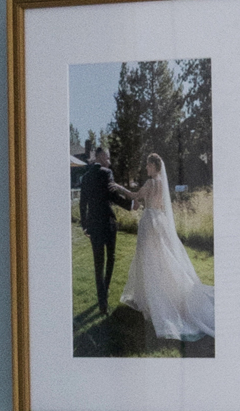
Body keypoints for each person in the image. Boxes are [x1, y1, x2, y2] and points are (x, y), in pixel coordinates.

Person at [128, 150, 215, 351]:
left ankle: (155, 301)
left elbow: (136, 196)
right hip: (160, 221)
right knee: (161, 260)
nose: (146, 168)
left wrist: (117, 188)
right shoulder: (161, 182)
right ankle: (159, 293)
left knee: (149, 260)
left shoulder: (151, 183)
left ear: (155, 166)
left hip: (150, 222)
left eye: (148, 165)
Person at [73, 134, 122, 329]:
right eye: (108, 157)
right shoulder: (106, 173)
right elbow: (114, 196)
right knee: (111, 258)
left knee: (98, 263)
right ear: (101, 157)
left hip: (93, 226)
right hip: (108, 224)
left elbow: (82, 204)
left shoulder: (85, 177)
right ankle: (105, 292)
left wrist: (85, 226)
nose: (109, 161)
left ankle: (102, 298)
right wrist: (132, 203)